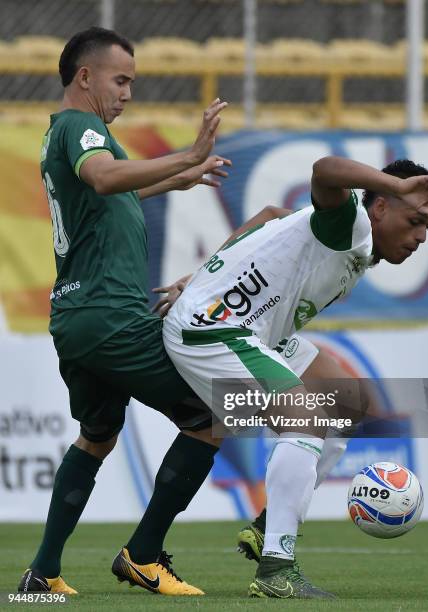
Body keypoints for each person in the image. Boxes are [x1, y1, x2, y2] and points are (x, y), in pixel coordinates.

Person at [161, 155, 428, 598]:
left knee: (349, 401)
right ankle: (277, 570)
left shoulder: (355, 238)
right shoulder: (350, 223)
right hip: (214, 329)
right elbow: (324, 169)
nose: (421, 238)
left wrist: (201, 277)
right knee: (307, 417)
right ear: (381, 207)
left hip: (255, 329)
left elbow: (272, 216)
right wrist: (394, 183)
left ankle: (265, 527)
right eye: (414, 220)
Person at [18, 26, 232, 596]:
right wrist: (185, 153)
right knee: (210, 416)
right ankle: (142, 556)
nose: (128, 93)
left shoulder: (61, 133)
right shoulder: (81, 126)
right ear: (85, 77)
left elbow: (107, 196)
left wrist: (176, 178)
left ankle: (41, 574)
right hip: (110, 314)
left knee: (97, 436)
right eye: (122, 79)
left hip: (75, 316)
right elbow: (103, 176)